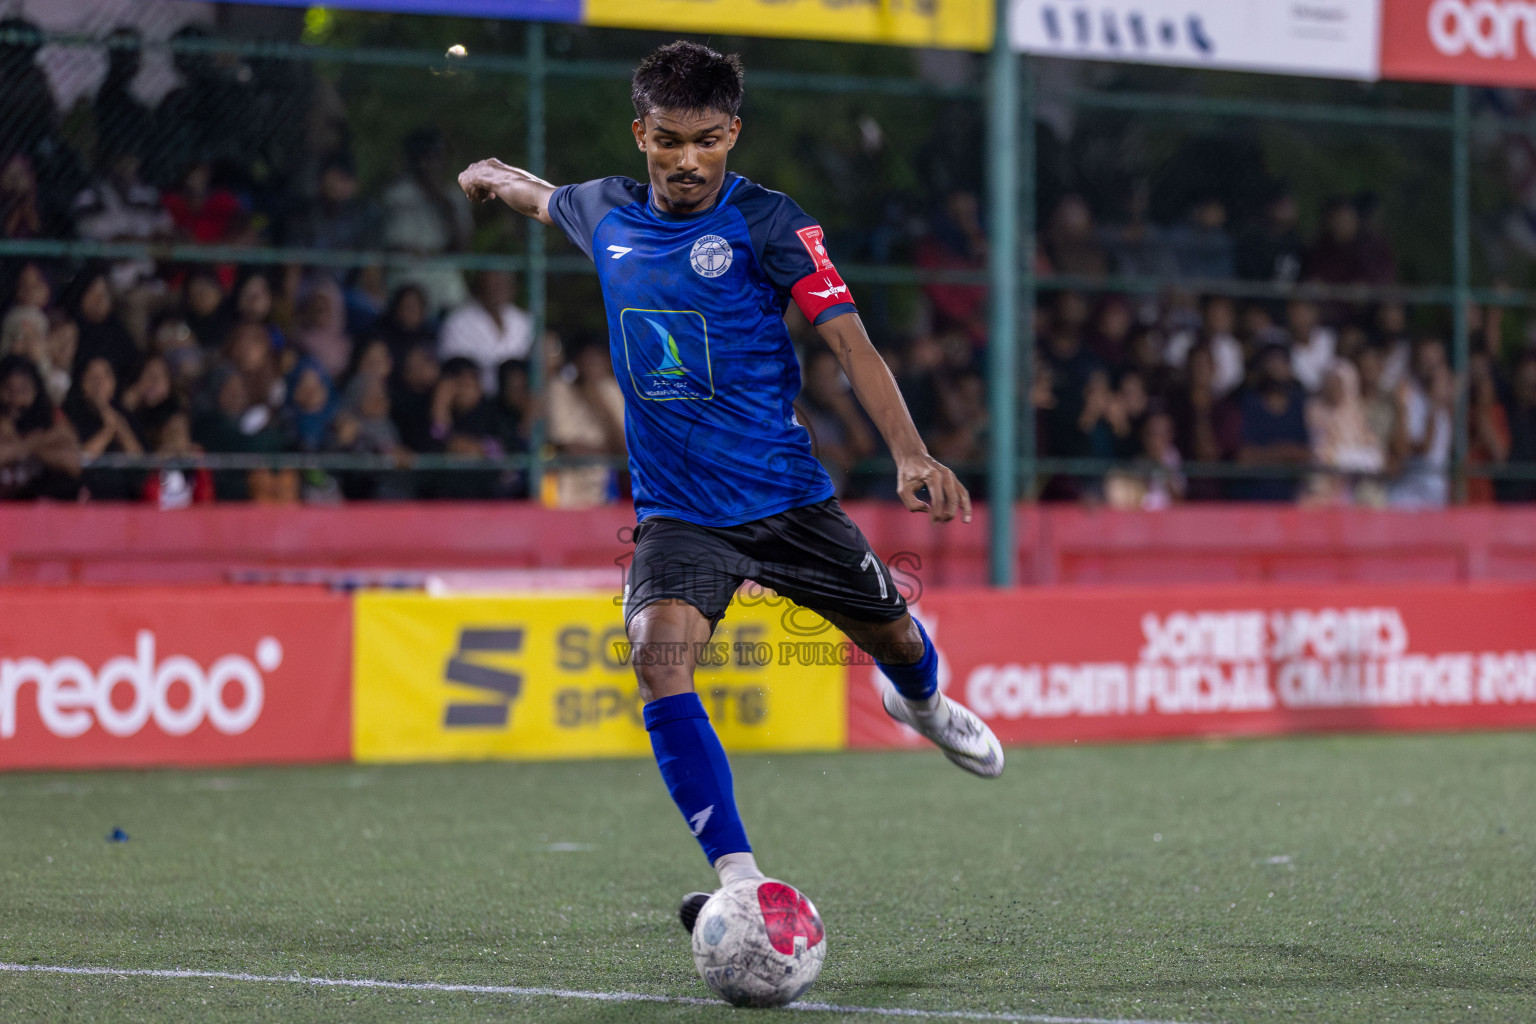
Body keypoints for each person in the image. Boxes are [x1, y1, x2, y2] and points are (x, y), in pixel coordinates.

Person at [458, 40, 998, 928]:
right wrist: (492, 174)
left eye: (707, 140)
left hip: (787, 500)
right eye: (668, 139)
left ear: (733, 133)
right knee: (657, 658)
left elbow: (850, 343)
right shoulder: (603, 213)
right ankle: (742, 879)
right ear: (641, 133)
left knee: (896, 637)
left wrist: (910, 453)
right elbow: (539, 195)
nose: (686, 161)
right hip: (677, 513)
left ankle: (927, 702)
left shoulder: (771, 222)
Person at [437, 270, 534, 392]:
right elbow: (453, 371)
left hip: (518, 398)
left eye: (503, 283)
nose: (498, 289)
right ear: (480, 286)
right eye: (493, 283)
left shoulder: (524, 321)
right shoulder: (457, 322)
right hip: (476, 400)